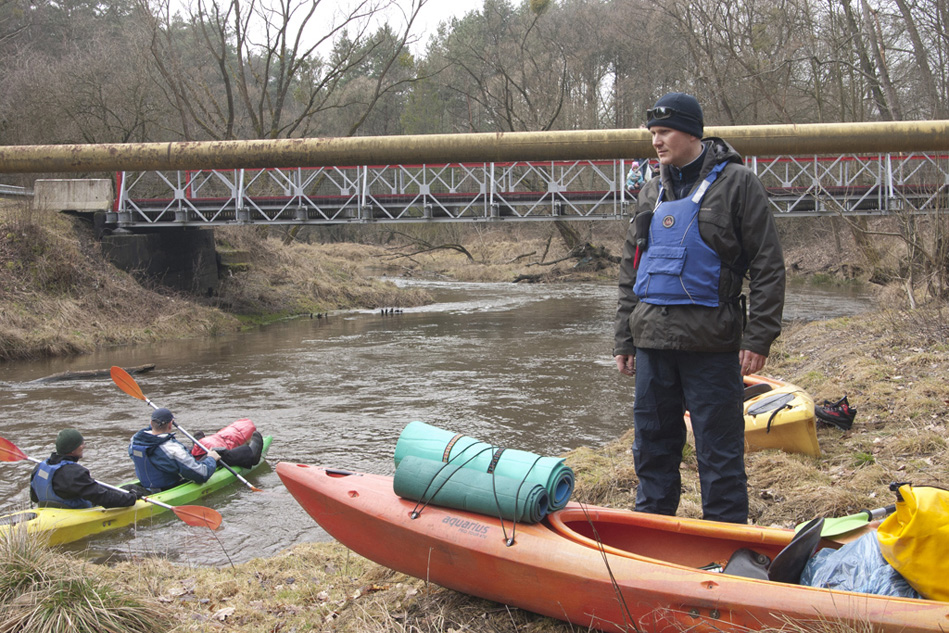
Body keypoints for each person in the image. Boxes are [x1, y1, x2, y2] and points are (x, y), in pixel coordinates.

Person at [613, 92, 786, 524]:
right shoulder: (650, 190)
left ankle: (727, 541)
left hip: (712, 345)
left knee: (719, 453)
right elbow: (632, 269)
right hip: (652, 343)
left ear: (692, 133)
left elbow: (768, 266)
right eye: (653, 133)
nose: (656, 141)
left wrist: (759, 336)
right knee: (652, 449)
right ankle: (652, 531)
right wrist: (624, 339)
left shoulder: (738, 184)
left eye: (664, 132)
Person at [30, 428, 144, 509]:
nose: (83, 446)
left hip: (49, 510)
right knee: (131, 488)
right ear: (72, 450)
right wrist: (132, 498)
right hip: (72, 513)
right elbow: (103, 498)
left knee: (113, 489)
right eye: (81, 444)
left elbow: (34, 498)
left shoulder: (39, 467)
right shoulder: (74, 473)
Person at [129, 408, 221, 492]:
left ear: (151, 422)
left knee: (188, 450)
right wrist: (211, 459)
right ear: (170, 425)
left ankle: (197, 445)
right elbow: (202, 474)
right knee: (210, 454)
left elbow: (153, 432)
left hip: (148, 484)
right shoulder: (173, 449)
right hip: (169, 488)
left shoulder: (135, 441)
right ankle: (201, 447)